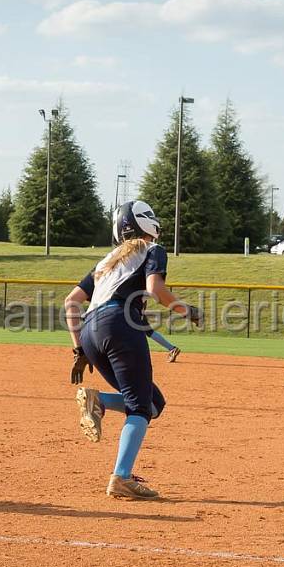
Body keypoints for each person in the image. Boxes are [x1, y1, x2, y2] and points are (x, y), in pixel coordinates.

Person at [63, 200, 200, 499]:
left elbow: (71, 301)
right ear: (146, 223)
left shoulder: (106, 262)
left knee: (152, 403)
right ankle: (121, 478)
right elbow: (155, 291)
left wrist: (79, 350)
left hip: (90, 331)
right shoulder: (152, 250)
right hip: (120, 325)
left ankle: (98, 402)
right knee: (139, 407)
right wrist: (187, 310)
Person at [65, 281, 183, 362]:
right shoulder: (139, 281)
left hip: (129, 312)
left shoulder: (134, 282)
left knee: (147, 332)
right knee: (144, 333)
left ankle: (171, 348)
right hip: (131, 311)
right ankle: (170, 348)